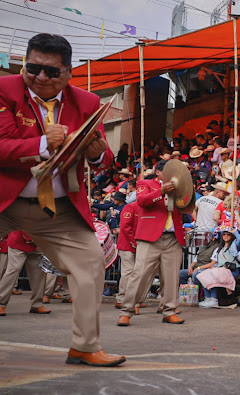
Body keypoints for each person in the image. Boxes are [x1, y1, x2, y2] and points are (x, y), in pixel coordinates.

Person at [0, 33, 124, 367]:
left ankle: (85, 346)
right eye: (33, 67)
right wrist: (42, 143)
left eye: (51, 72)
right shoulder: (3, 89)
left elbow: (103, 157)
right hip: (4, 199)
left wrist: (98, 156)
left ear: (69, 73)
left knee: (90, 263)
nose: (40, 77)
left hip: (55, 208)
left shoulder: (87, 102)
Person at [117, 160, 186, 326]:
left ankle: (169, 310)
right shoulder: (145, 183)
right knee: (139, 275)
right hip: (149, 237)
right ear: (159, 173)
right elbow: (142, 201)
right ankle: (127, 310)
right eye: (169, 171)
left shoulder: (179, 188)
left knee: (171, 278)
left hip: (172, 237)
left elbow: (187, 206)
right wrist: (161, 191)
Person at [0, 231, 50, 316]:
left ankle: (37, 304)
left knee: (39, 274)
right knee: (13, 271)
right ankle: (1, 303)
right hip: (18, 242)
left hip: (37, 242)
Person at [195, 227, 240, 308]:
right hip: (220, 270)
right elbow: (215, 263)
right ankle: (208, 298)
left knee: (214, 274)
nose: (226, 236)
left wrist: (234, 232)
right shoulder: (219, 249)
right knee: (203, 273)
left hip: (230, 270)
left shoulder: (234, 245)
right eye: (224, 234)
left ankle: (214, 299)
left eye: (228, 234)